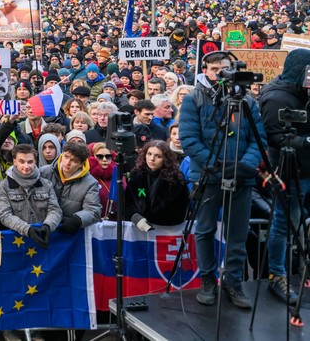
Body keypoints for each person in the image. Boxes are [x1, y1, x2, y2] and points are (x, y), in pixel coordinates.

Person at [179, 51, 265, 309]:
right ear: (205, 70)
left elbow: (258, 140)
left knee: (237, 233)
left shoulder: (248, 102)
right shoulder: (193, 99)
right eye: (214, 68)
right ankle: (208, 280)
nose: (219, 73)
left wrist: (242, 167)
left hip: (241, 178)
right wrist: (218, 167)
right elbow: (190, 140)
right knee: (204, 230)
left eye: (224, 68)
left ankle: (234, 282)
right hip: (208, 177)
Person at [260, 48, 310, 303]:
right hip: (290, 171)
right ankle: (276, 275)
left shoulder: (303, 93)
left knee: (303, 221)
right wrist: (306, 141)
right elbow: (274, 137)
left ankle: (304, 269)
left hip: (307, 168)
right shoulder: (277, 97)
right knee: (283, 223)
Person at [0, 144, 62, 249]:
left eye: (30, 162)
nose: (26, 166)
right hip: (16, 243)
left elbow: (55, 210)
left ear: (35, 161)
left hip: (43, 239)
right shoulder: (3, 186)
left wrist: (48, 226)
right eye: (21, 162)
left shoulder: (46, 184)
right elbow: (4, 215)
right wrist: (28, 230)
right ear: (14, 161)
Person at [124, 140, 189, 228]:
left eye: (158, 156)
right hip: (138, 230)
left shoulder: (176, 178)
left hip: (166, 230)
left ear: (165, 159)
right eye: (149, 154)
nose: (152, 159)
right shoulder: (136, 174)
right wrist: (135, 217)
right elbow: (128, 201)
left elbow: (180, 208)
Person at [39, 142, 101, 234]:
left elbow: (93, 210)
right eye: (66, 157)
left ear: (81, 164)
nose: (67, 163)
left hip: (69, 230)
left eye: (74, 160)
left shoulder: (90, 183)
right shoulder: (44, 172)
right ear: (61, 155)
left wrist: (78, 219)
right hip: (42, 225)